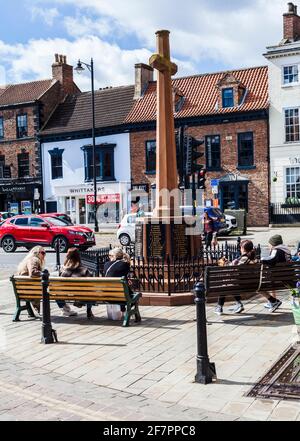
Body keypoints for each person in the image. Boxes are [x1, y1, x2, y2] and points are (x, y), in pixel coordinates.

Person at [215, 240, 257, 315]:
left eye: (240, 247)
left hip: (241, 284)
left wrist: (224, 263)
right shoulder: (253, 258)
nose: (240, 249)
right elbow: (234, 266)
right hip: (250, 283)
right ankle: (238, 303)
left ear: (243, 248)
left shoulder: (244, 258)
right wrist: (228, 262)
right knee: (230, 282)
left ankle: (219, 306)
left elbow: (232, 268)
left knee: (226, 283)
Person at [260, 235, 291, 311]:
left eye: (269, 244)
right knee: (271, 276)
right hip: (289, 277)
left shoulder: (277, 250)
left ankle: (272, 301)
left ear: (274, 244)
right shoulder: (286, 250)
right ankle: (272, 302)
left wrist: (261, 259)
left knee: (268, 279)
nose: (269, 245)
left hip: (278, 278)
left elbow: (271, 260)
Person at [59, 248, 92, 318]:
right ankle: (88, 310)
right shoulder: (84, 270)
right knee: (90, 291)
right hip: (80, 294)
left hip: (65, 293)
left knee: (55, 292)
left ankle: (64, 308)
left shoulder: (64, 271)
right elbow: (90, 283)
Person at [17, 246, 46, 315]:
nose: (44, 254)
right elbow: (33, 273)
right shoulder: (34, 259)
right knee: (51, 291)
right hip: (29, 290)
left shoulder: (29, 260)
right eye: (42, 252)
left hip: (24, 289)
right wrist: (44, 274)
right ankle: (64, 308)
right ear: (36, 253)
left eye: (45, 253)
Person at [104, 248, 131, 316]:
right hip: (122, 295)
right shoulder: (125, 264)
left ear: (114, 256)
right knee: (127, 290)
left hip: (107, 295)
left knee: (120, 287)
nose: (109, 257)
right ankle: (124, 311)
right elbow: (124, 276)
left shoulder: (106, 264)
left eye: (110, 255)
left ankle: (122, 310)